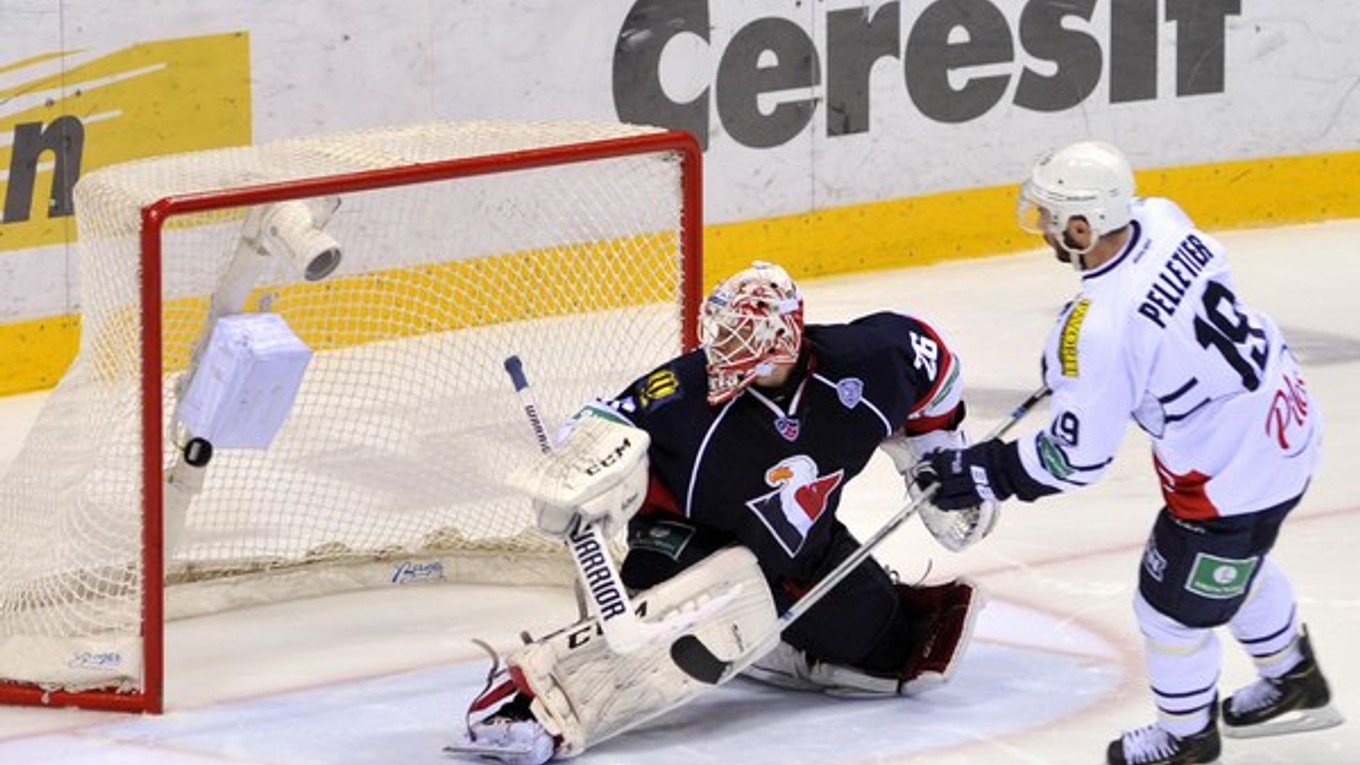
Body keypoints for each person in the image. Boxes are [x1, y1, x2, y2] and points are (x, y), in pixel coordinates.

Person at [448, 261, 996, 764]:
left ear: (782, 339)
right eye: (721, 330)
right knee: (719, 587)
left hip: (804, 554)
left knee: (895, 654)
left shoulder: (867, 363)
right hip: (689, 544)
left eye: (740, 334)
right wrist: (579, 461)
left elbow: (933, 365)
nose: (720, 346)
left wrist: (933, 453)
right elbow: (609, 418)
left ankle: (767, 645)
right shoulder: (682, 393)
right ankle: (527, 699)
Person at [915, 140, 1344, 765]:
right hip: (1287, 421)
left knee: (1169, 609)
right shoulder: (1162, 217)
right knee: (1236, 567)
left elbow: (1078, 457)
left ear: (1082, 226)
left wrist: (986, 472)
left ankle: (1186, 737)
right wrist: (1088, 374)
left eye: (1052, 217)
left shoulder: (1097, 328)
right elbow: (1163, 321)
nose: (1043, 229)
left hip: (1232, 476)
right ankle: (1294, 681)